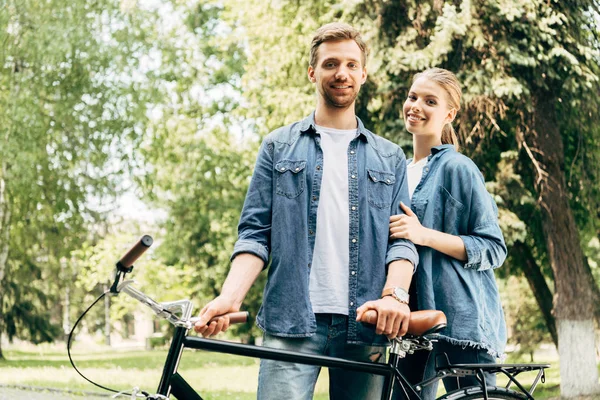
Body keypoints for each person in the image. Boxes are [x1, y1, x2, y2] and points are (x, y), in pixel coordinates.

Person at [193, 22, 419, 400]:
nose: (341, 73)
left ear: (363, 74)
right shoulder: (278, 147)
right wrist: (230, 297)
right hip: (291, 321)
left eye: (351, 64)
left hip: (366, 324)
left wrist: (395, 296)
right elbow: (254, 234)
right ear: (313, 72)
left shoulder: (389, 156)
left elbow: (402, 240)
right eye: (331, 64)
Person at [389, 68, 507, 399]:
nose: (416, 106)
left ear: (449, 114)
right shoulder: (398, 171)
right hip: (409, 320)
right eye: (413, 97)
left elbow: (493, 247)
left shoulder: (458, 168)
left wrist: (423, 235)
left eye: (430, 101)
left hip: (459, 321)